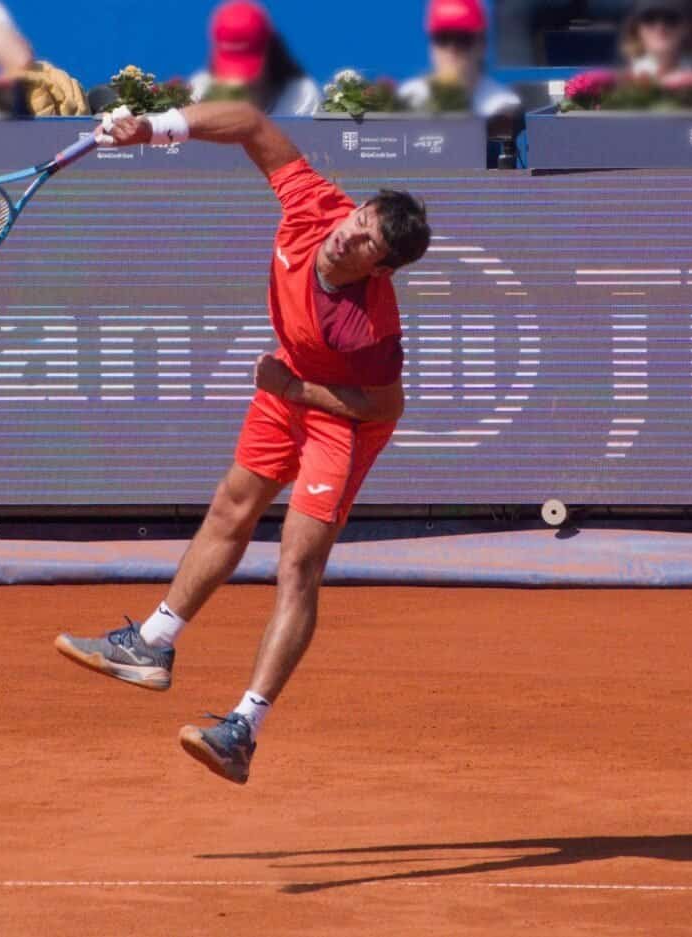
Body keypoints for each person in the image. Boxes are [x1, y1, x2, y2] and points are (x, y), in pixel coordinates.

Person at [55, 100, 431, 785]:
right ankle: (152, 643)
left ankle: (243, 728)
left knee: (297, 564)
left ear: (383, 268)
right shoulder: (317, 205)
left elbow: (384, 403)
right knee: (231, 506)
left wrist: (292, 390)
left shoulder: (369, 328)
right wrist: (154, 129)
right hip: (288, 386)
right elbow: (252, 124)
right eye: (359, 221)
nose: (350, 236)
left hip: (341, 419)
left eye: (369, 242)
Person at [189, 0, 321, 117]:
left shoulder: (301, 96)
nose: (239, 79)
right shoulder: (199, 91)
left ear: (269, 50)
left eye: (246, 61)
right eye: (231, 62)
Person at [399, 0, 521, 116]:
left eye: (462, 39)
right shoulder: (409, 99)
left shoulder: (503, 106)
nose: (451, 49)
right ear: (431, 46)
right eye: (442, 38)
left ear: (482, 45)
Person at [620, 0, 692, 79]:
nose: (660, 27)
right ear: (636, 29)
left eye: (671, 18)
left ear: (688, 27)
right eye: (649, 18)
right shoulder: (619, 84)